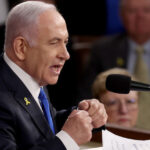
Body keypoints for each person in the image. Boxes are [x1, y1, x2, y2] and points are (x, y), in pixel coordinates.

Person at [0, 1, 107, 150]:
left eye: (65, 42)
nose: (66, 55)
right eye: (54, 43)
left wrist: (84, 116)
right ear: (21, 47)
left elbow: (41, 126)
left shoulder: (32, 75)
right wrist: (67, 139)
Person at [77, 0, 150, 130]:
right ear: (121, 15)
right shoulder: (103, 50)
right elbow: (85, 98)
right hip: (116, 132)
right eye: (132, 11)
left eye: (146, 10)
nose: (140, 16)